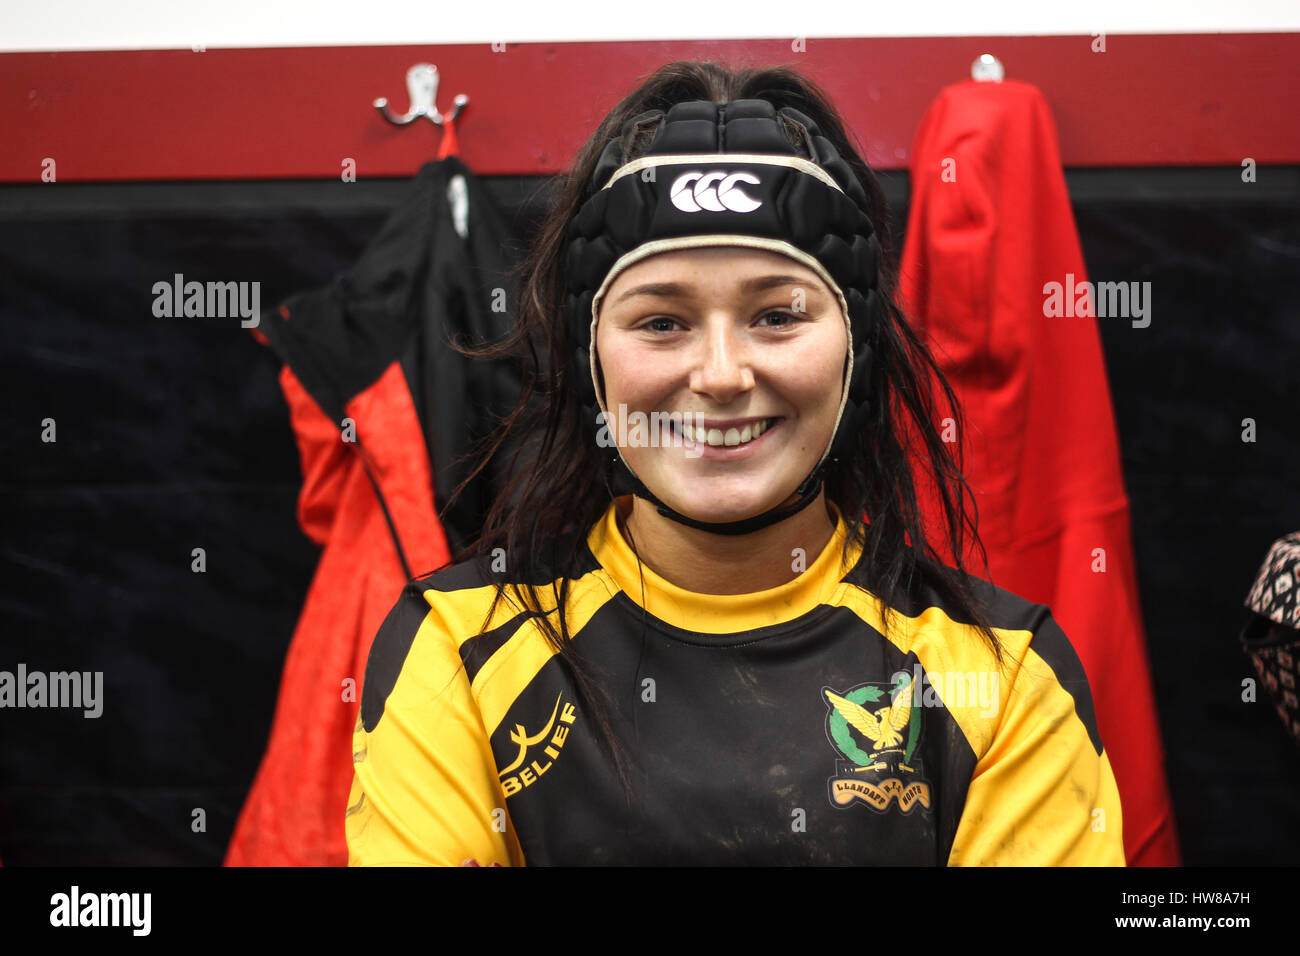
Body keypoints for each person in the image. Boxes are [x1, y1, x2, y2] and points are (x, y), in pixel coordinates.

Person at [344, 60, 1125, 866]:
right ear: (589, 360)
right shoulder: (455, 653)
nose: (721, 374)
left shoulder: (1005, 678)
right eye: (660, 322)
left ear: (856, 348)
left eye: (778, 314)